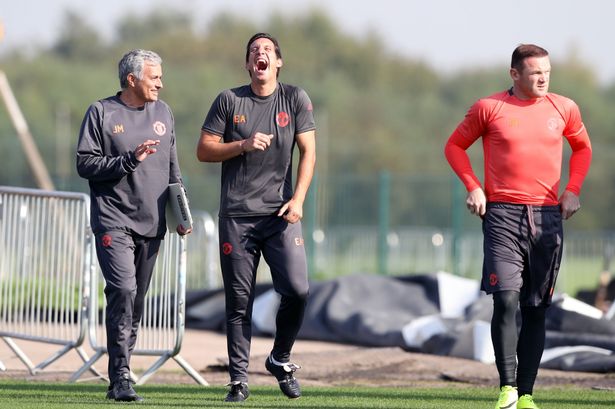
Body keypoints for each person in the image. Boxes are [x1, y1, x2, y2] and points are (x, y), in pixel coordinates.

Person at [444, 44, 592, 409]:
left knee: (536, 307)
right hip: (502, 215)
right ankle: (507, 388)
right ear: (514, 74)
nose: (543, 78)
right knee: (506, 299)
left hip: (547, 216)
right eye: (535, 72)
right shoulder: (489, 108)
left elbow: (583, 149)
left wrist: (572, 190)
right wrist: (473, 186)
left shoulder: (564, 107)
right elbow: (455, 146)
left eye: (547, 72)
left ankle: (526, 395)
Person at [196, 32, 316, 402]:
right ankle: (238, 380)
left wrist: (297, 199)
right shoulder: (229, 100)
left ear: (278, 62)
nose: (260, 54)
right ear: (248, 64)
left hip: (280, 214)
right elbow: (204, 150)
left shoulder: (295, 98)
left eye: (267, 50)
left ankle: (280, 359)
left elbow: (309, 152)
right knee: (239, 302)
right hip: (237, 216)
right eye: (253, 51)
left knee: (297, 290)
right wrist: (242, 145)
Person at [76, 49, 190, 402]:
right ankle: (120, 376)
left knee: (136, 300)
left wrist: (181, 213)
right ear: (132, 79)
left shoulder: (164, 113)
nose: (160, 83)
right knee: (122, 291)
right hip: (114, 220)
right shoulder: (101, 112)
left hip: (152, 223)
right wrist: (129, 159)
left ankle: (123, 369)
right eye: (154, 77)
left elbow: (173, 170)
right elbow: (85, 163)